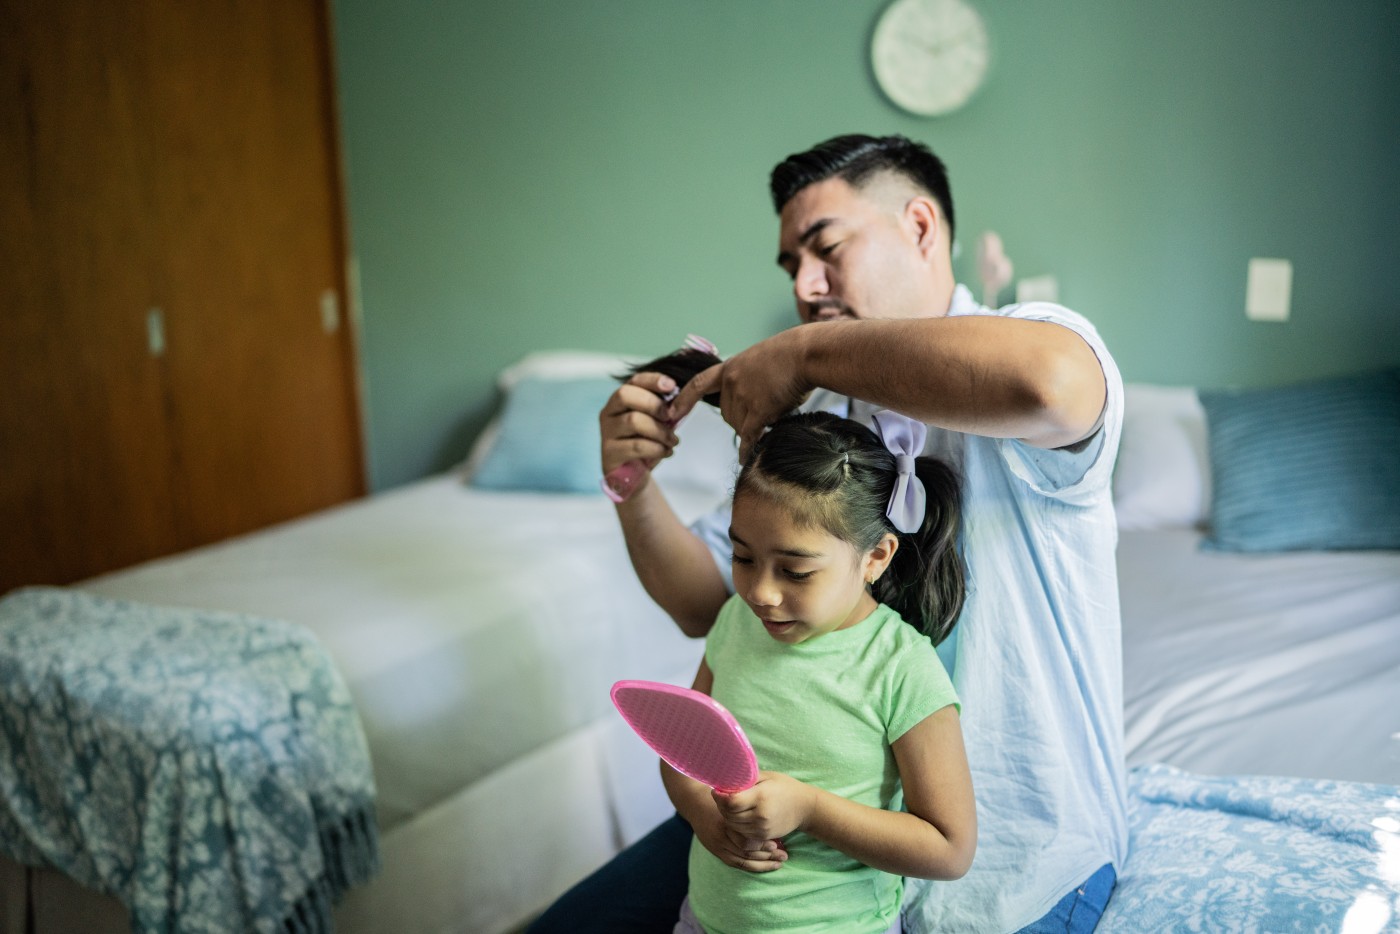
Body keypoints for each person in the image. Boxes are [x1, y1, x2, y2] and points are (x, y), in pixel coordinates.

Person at [532, 133, 1125, 932]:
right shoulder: (819, 425)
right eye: (790, 267)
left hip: (1014, 864)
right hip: (799, 847)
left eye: (826, 248)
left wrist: (807, 351)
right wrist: (633, 491)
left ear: (920, 227)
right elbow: (712, 605)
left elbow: (1049, 384)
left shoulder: (1026, 341)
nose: (805, 287)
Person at [669, 408, 975, 934]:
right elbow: (682, 754)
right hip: (705, 919)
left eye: (795, 571)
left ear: (875, 557)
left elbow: (948, 849)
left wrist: (809, 809)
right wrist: (702, 816)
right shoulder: (735, 622)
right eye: (742, 558)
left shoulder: (901, 668)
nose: (761, 593)